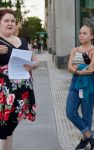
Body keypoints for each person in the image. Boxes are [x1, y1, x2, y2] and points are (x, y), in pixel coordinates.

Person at [0, 9, 39, 150]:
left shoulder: (22, 41)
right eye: (6, 20)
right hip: (3, 96)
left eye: (12, 21)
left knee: (9, 129)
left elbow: (36, 60)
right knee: (3, 130)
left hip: (22, 94)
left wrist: (32, 65)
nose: (10, 23)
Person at [66, 23, 94, 150]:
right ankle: (90, 134)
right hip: (75, 83)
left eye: (85, 33)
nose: (81, 35)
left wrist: (76, 68)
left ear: (91, 36)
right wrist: (79, 71)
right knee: (70, 112)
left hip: (89, 84)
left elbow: (91, 69)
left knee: (87, 114)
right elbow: (69, 67)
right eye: (80, 33)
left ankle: (85, 140)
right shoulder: (74, 50)